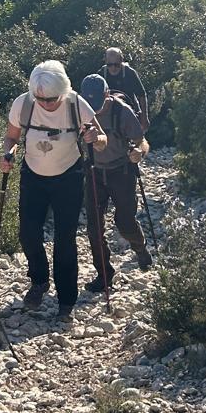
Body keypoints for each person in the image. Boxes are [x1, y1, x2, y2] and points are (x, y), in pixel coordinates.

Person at [0, 60, 105, 323]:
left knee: (65, 239)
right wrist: (8, 153)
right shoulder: (23, 104)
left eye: (51, 99)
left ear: (63, 90)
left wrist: (95, 138)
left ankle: (66, 301)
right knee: (28, 233)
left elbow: (102, 140)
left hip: (68, 177)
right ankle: (39, 281)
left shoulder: (76, 104)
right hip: (33, 175)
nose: (45, 104)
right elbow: (11, 137)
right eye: (40, 99)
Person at [78, 74, 152, 292]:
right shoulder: (80, 111)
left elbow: (142, 141)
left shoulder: (122, 111)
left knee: (125, 222)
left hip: (121, 172)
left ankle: (140, 249)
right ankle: (104, 275)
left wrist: (139, 153)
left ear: (107, 94)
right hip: (94, 172)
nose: (94, 109)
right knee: (94, 228)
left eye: (98, 103)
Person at [102, 46, 149, 132]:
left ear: (121, 61)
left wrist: (144, 117)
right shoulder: (102, 73)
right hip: (109, 113)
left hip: (130, 111)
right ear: (105, 62)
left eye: (116, 65)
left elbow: (141, 95)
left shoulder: (129, 73)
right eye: (110, 65)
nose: (113, 68)